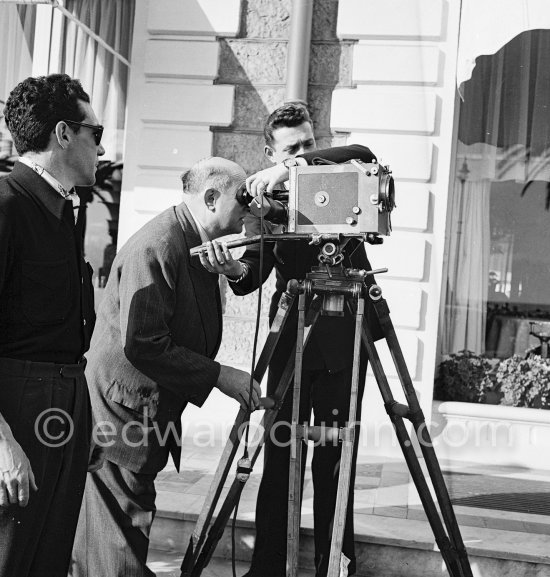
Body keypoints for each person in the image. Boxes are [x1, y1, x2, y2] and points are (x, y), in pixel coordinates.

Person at [201, 103, 382, 577]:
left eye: (308, 143)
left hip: (344, 340)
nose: (303, 151)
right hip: (292, 339)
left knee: (335, 462)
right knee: (279, 460)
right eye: (290, 147)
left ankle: (334, 567)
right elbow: (252, 274)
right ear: (268, 151)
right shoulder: (266, 206)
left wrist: (293, 166)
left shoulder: (335, 170)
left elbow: (364, 152)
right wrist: (234, 268)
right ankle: (267, 570)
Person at [70, 156, 262, 577]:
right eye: (241, 197)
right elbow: (144, 343)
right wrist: (222, 376)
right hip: (120, 412)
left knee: (120, 532)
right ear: (211, 199)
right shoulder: (159, 243)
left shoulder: (191, 237)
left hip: (144, 408)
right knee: (117, 537)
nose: (249, 207)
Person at [0, 73, 104, 577]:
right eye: (95, 133)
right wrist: (1, 444)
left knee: (49, 554)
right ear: (64, 134)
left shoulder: (62, 208)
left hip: (63, 401)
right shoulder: (7, 205)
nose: (99, 148)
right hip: (16, 408)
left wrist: (79, 418)